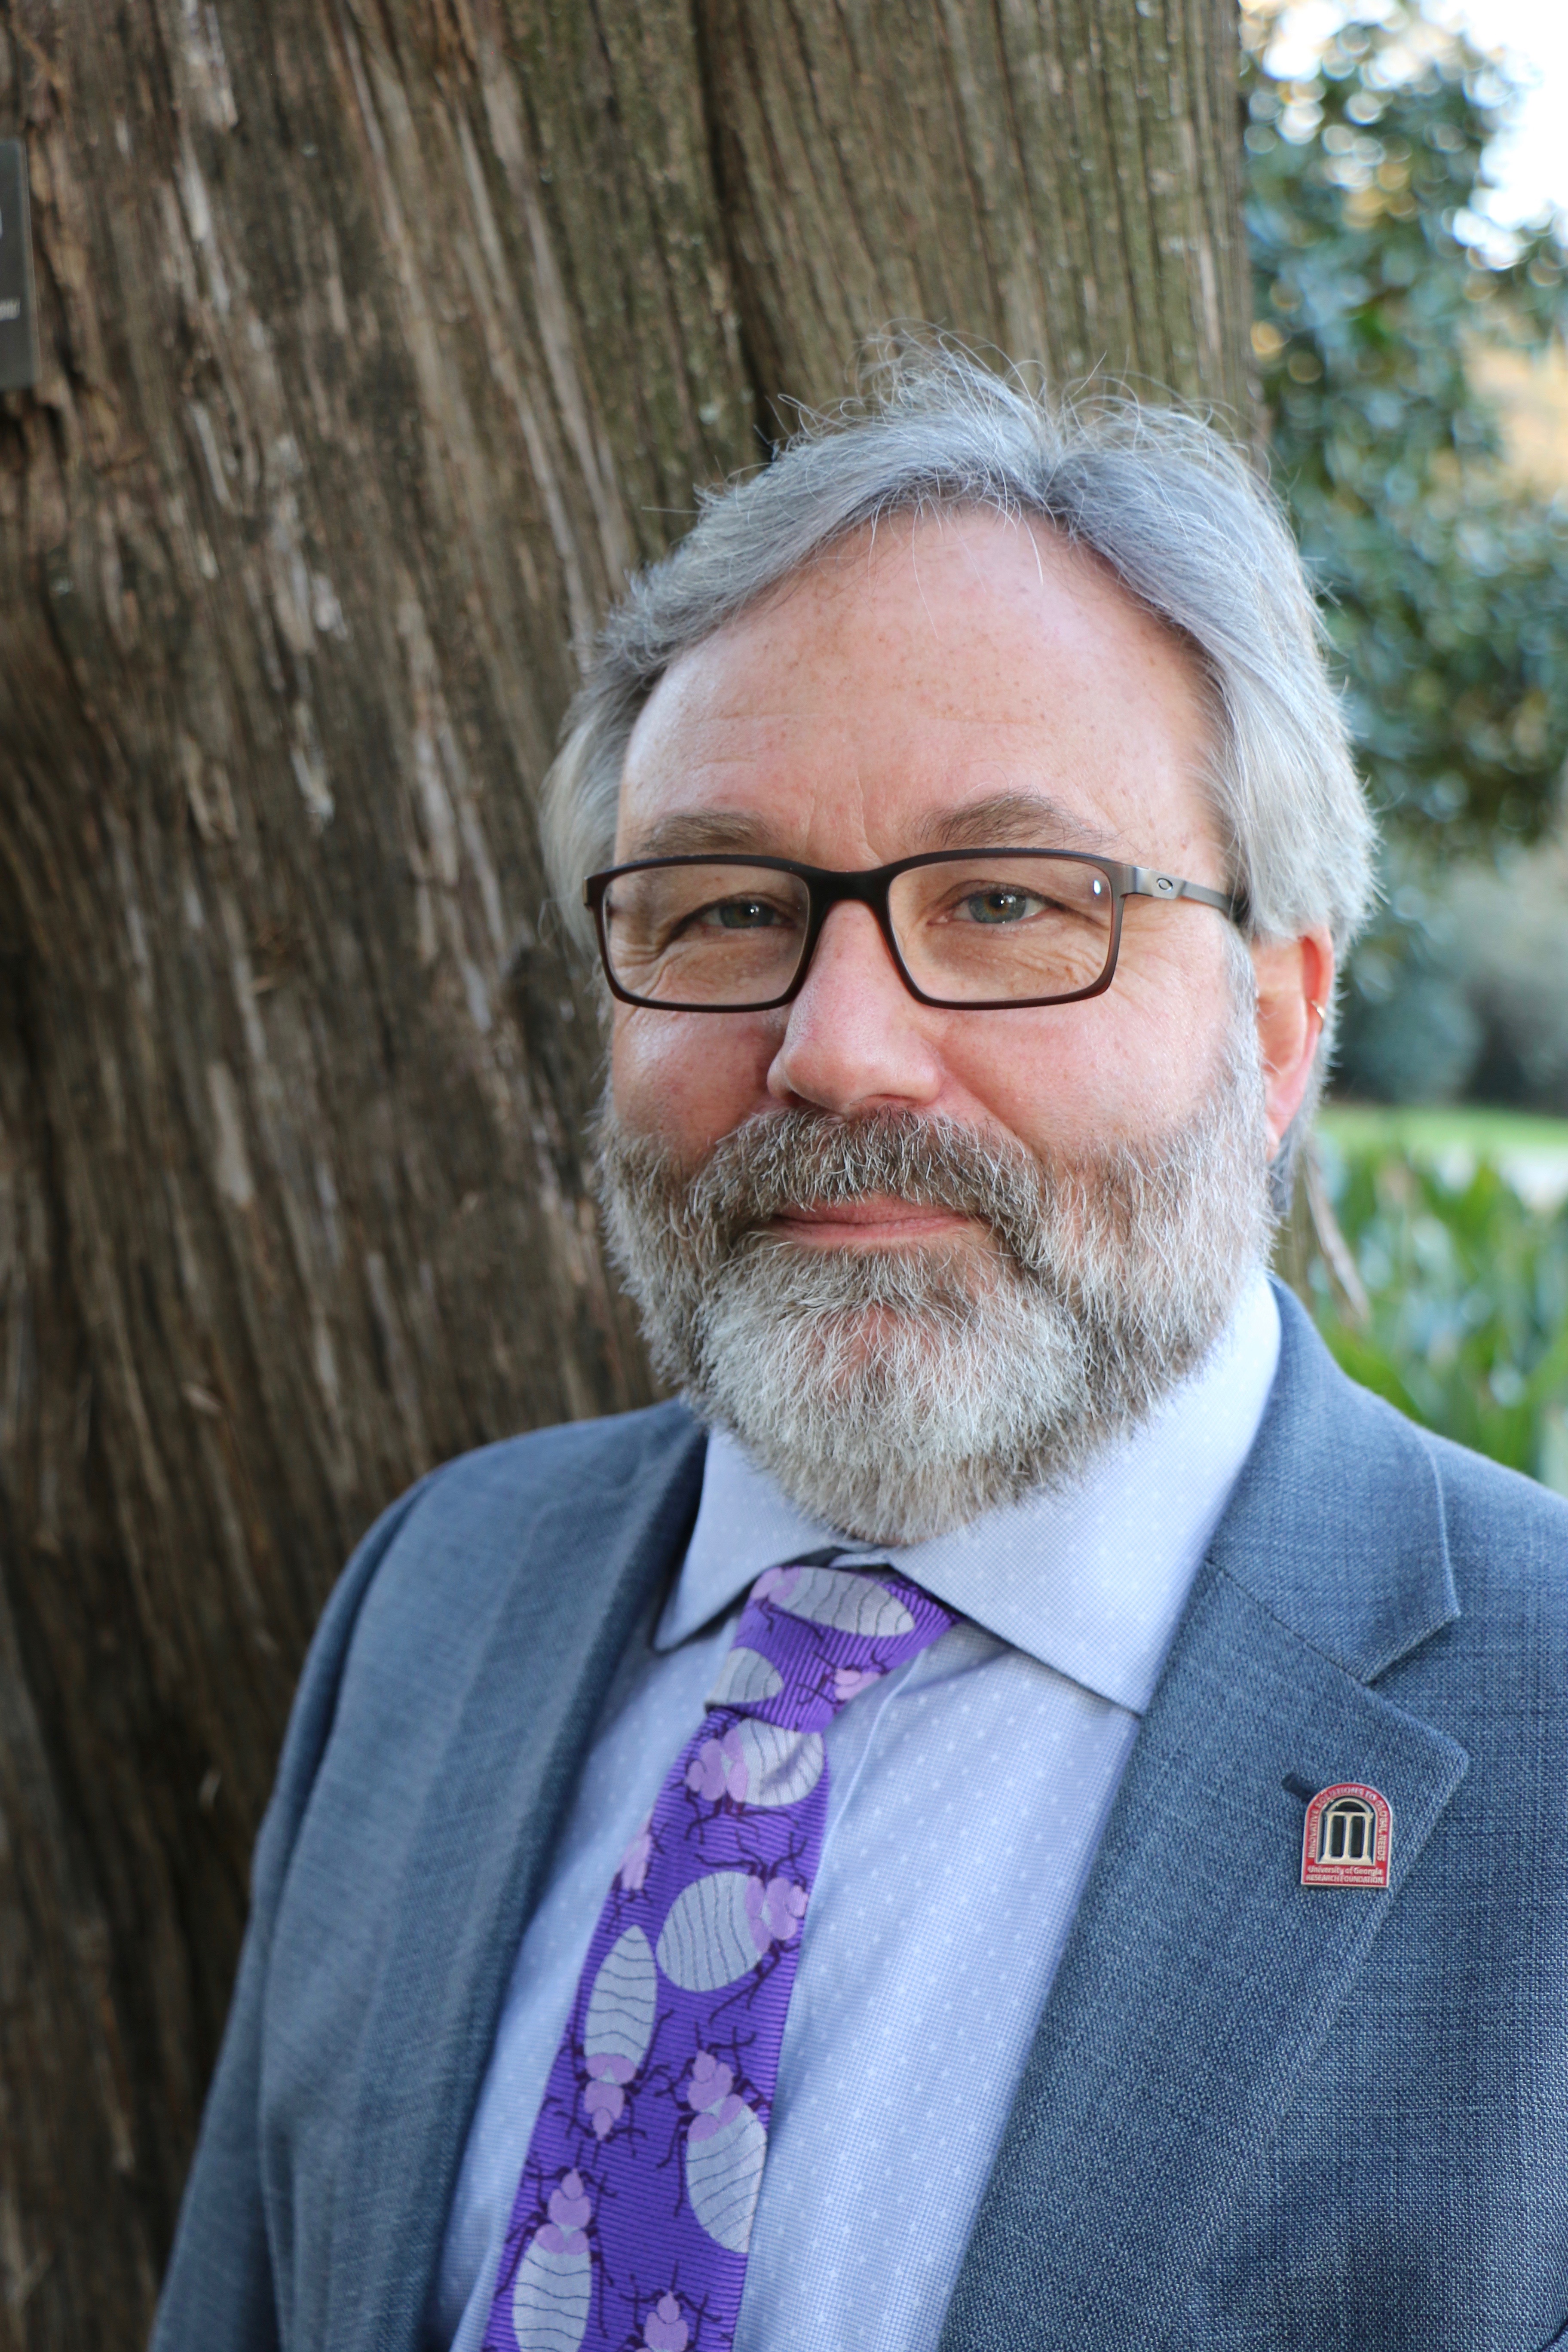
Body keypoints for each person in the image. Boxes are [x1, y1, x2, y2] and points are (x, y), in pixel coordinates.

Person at [152, 358, 1568, 2352]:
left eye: (1006, 902)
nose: (833, 1048)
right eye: (729, 908)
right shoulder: (439, 1593)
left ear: (1270, 1028)